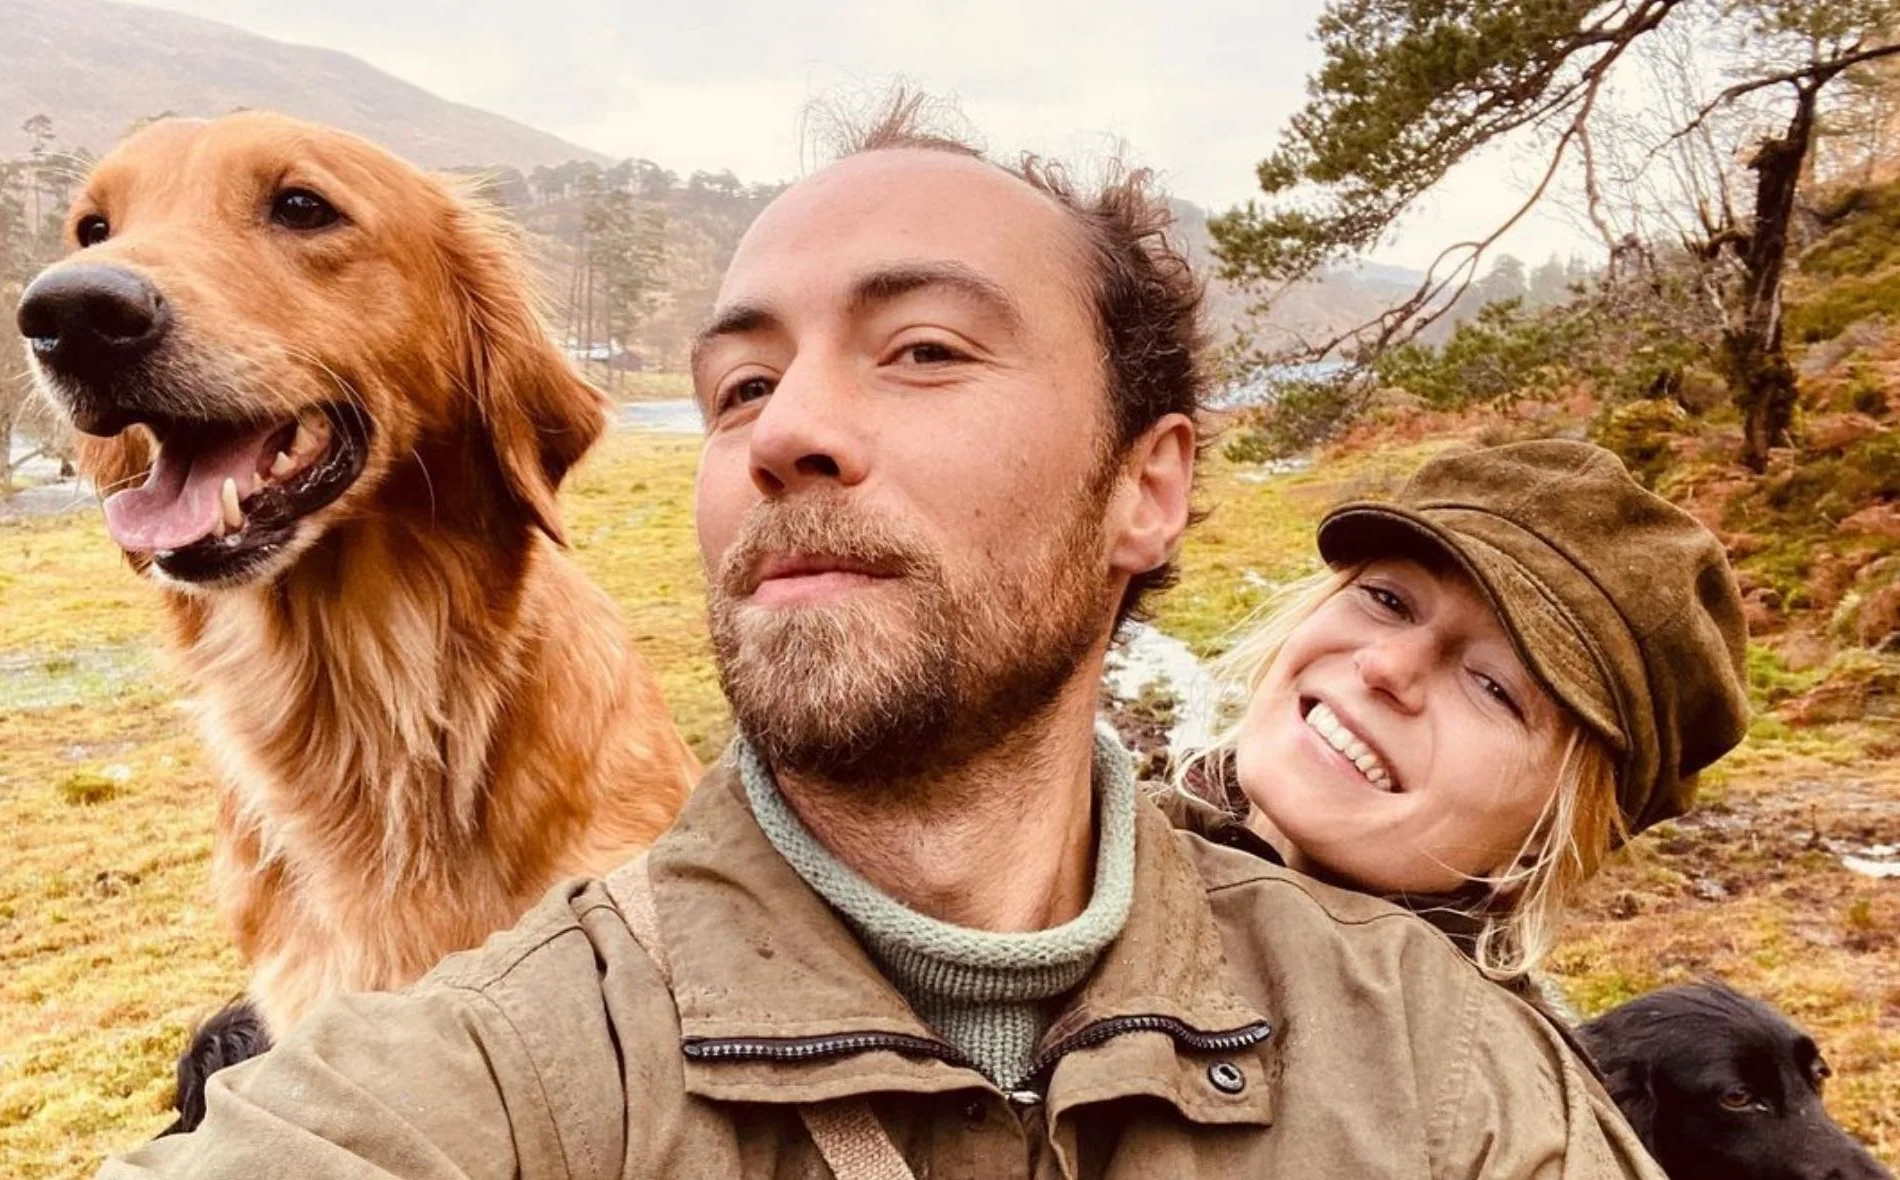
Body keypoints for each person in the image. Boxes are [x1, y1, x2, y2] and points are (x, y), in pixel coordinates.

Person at [102, 98, 1662, 1179]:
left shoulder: (1454, 1076)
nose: (793, 432)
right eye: (739, 387)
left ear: (1148, 485)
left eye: (922, 350)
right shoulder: (499, 1056)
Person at [1175, 439, 1751, 985]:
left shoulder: (1485, 1086)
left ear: (1547, 835)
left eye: (1493, 686)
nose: (1387, 667)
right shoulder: (1096, 853)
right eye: (1388, 599)